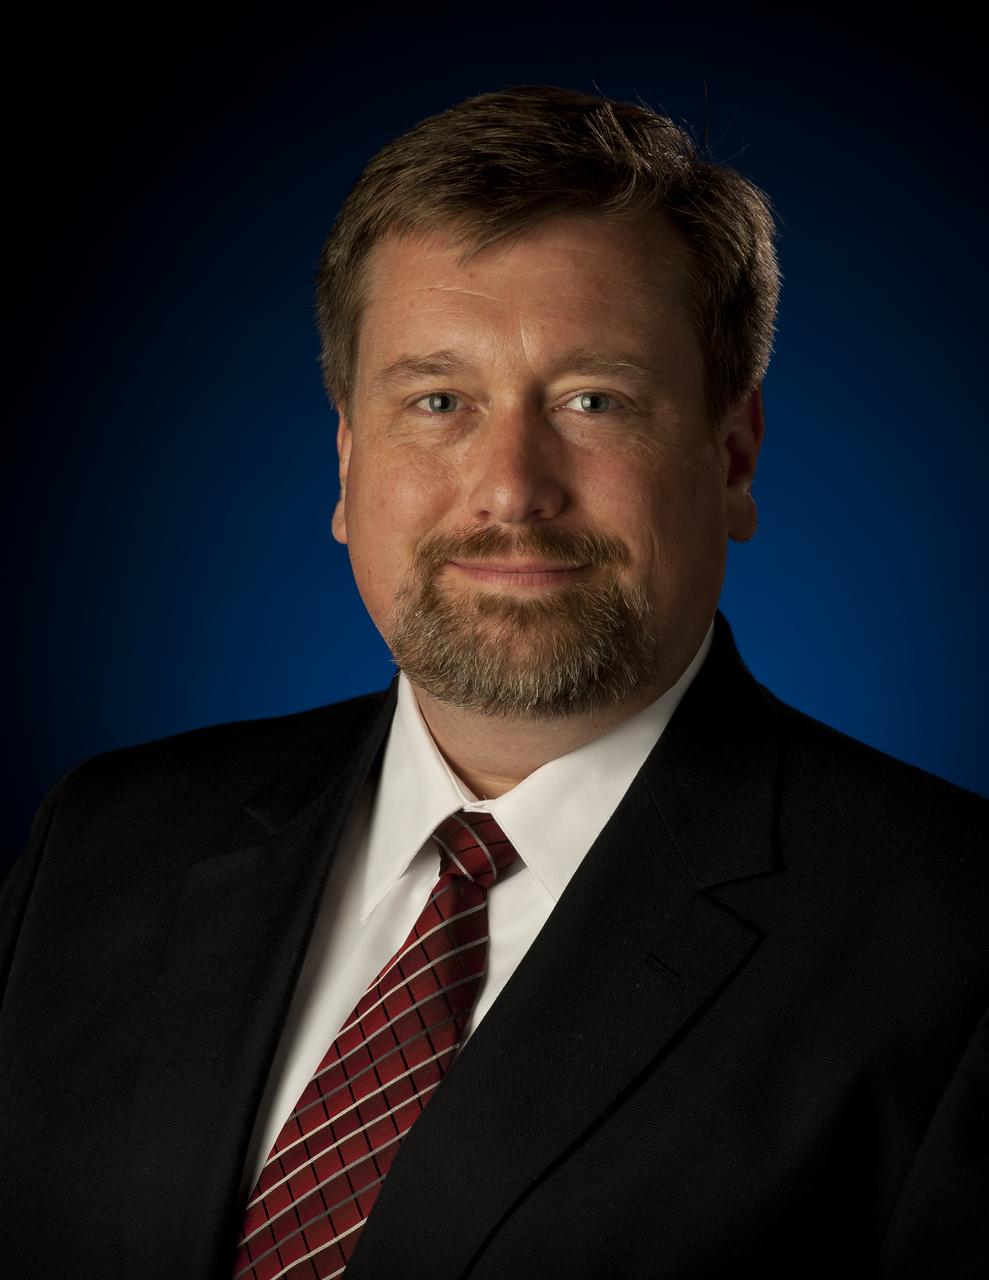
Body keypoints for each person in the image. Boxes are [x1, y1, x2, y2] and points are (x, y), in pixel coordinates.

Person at [0, 85, 985, 1280]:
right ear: (348, 459)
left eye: (592, 400)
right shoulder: (104, 844)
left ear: (732, 455)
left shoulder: (950, 940)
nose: (510, 487)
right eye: (437, 401)